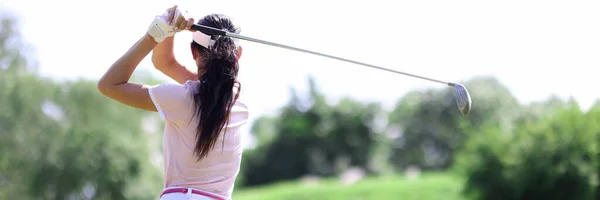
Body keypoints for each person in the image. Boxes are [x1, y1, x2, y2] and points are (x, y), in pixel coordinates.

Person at [97, 5, 249, 200]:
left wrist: (157, 34)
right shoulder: (240, 97)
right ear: (238, 54)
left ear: (194, 52)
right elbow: (166, 64)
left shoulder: (180, 98)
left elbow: (109, 85)